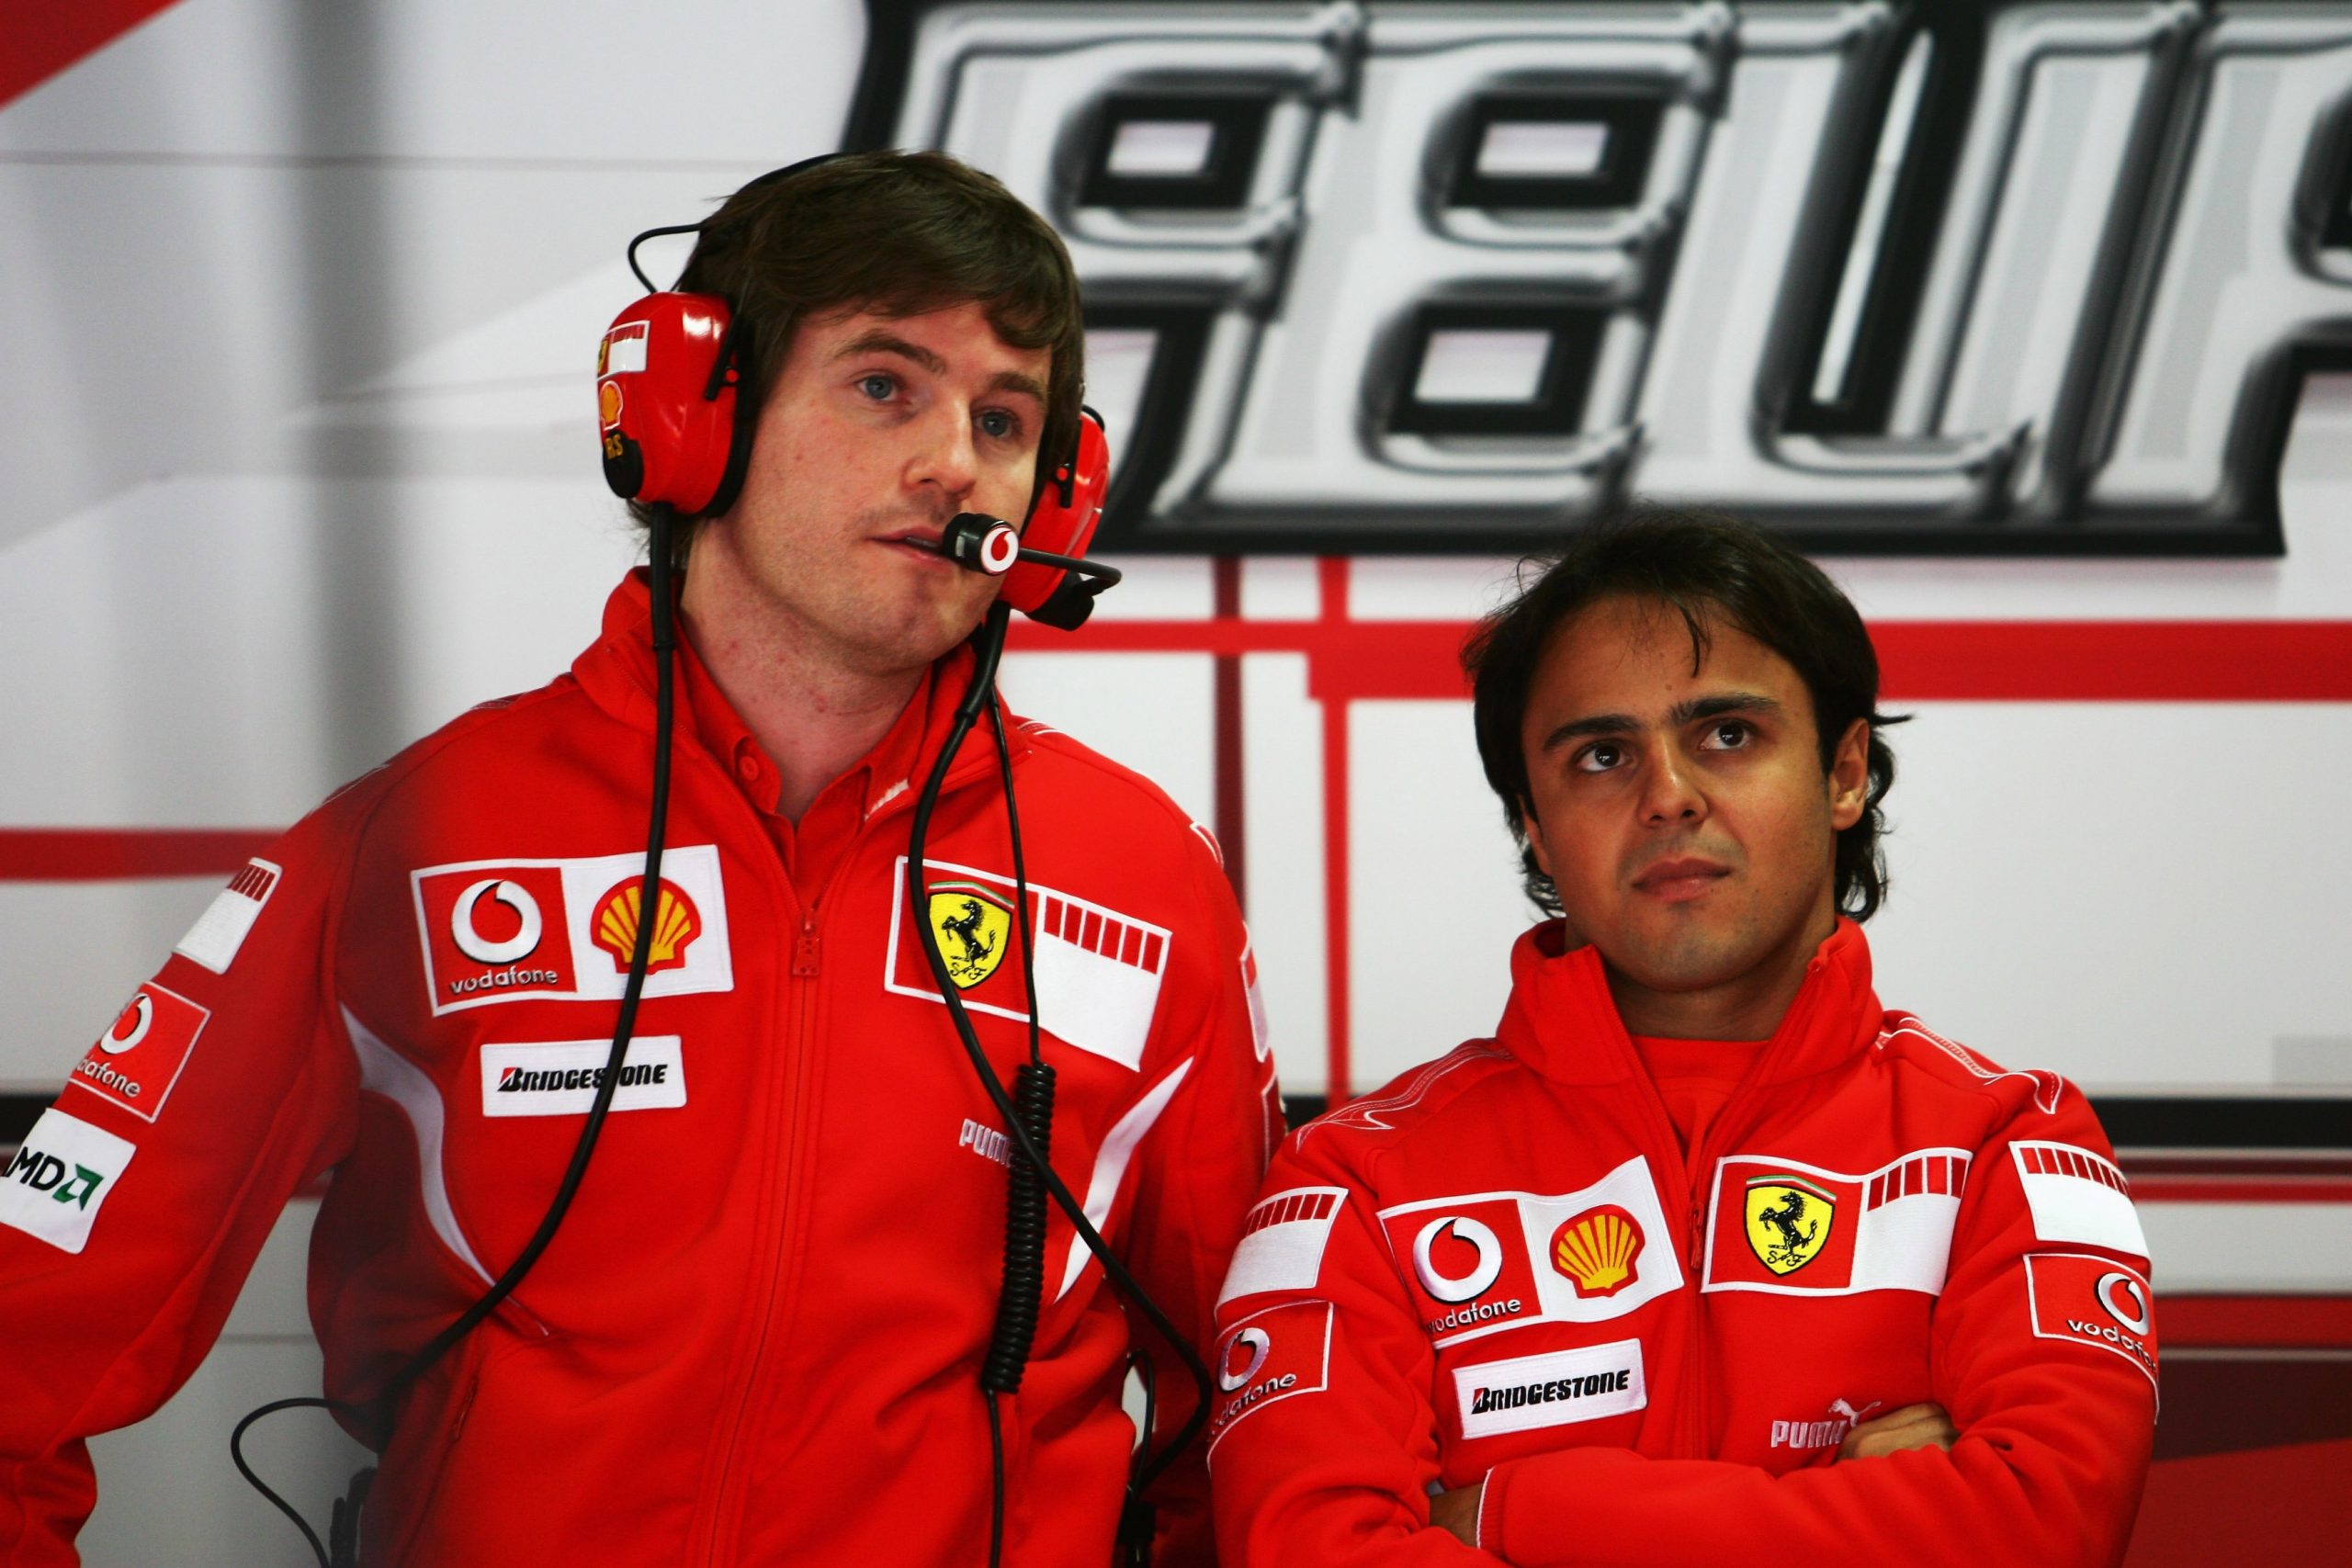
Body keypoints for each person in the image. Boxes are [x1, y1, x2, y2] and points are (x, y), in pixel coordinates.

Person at [0, 151, 1280, 1566]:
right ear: (690, 416)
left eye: (1004, 416)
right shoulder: (414, 840)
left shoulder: (1144, 877)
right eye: (883, 384)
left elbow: (1270, 1412)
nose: (954, 461)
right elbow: (27, 1325)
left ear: (1059, 494)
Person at [1207, 510, 2156, 1566]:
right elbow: (1310, 1552)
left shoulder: (2010, 1145)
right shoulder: (1356, 1184)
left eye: (1728, 734)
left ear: (1844, 773)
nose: (1668, 796)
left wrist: (1517, 1515)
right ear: (1532, 820)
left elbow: (2038, 1526)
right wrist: (1860, 1519)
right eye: (1602, 754)